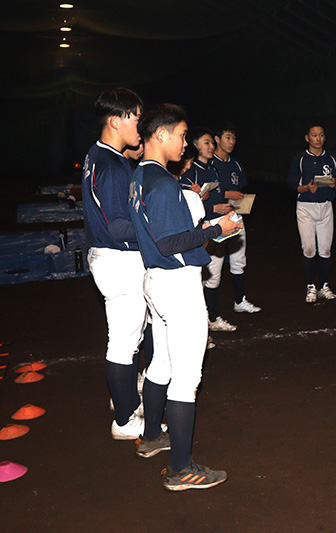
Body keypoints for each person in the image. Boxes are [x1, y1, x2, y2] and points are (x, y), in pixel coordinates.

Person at [129, 103, 241, 490]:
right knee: (187, 378)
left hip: (157, 281)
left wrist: (208, 225)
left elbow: (164, 234)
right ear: (160, 134)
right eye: (180, 134)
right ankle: (180, 468)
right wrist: (215, 229)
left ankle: (150, 439)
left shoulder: (141, 176)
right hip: (177, 285)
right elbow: (171, 240)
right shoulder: (161, 182)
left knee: (161, 362)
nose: (184, 142)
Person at [82, 87, 149, 440]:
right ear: (115, 120)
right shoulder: (110, 166)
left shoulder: (103, 156)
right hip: (118, 258)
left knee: (129, 338)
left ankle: (122, 398)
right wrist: (159, 233)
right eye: (135, 118)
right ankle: (125, 420)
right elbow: (119, 225)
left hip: (110, 257)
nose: (140, 125)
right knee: (123, 342)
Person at [182, 127, 239, 334]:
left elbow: (218, 196)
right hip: (200, 229)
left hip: (216, 226)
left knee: (214, 275)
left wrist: (223, 207)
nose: (211, 146)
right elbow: (183, 205)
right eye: (206, 142)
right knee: (197, 276)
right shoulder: (190, 170)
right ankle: (199, 323)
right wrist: (210, 206)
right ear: (195, 145)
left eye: (211, 143)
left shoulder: (212, 169)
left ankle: (212, 318)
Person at [287, 122, 336, 303]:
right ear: (307, 138)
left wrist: (334, 182)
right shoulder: (300, 159)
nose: (318, 138)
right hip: (306, 207)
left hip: (326, 206)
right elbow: (291, 185)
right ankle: (311, 286)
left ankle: (324, 286)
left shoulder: (332, 159)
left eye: (321, 135)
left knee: (326, 249)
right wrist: (306, 188)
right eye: (314, 135)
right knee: (309, 248)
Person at [209, 122, 261, 314]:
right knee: (214, 266)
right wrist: (226, 194)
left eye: (234, 138)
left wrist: (239, 198)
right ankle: (209, 312)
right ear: (217, 139)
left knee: (239, 260)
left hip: (236, 215)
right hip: (216, 219)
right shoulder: (210, 163)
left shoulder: (236, 163)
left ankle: (239, 301)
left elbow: (240, 188)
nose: (232, 142)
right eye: (227, 137)